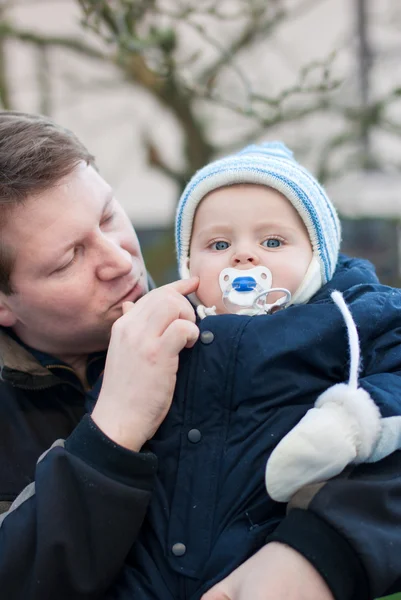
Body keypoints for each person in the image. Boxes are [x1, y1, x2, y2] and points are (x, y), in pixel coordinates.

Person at [0, 111, 396, 600]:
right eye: (68, 258)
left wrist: (317, 552)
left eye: (107, 216)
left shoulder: (284, 315)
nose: (122, 259)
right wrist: (113, 432)